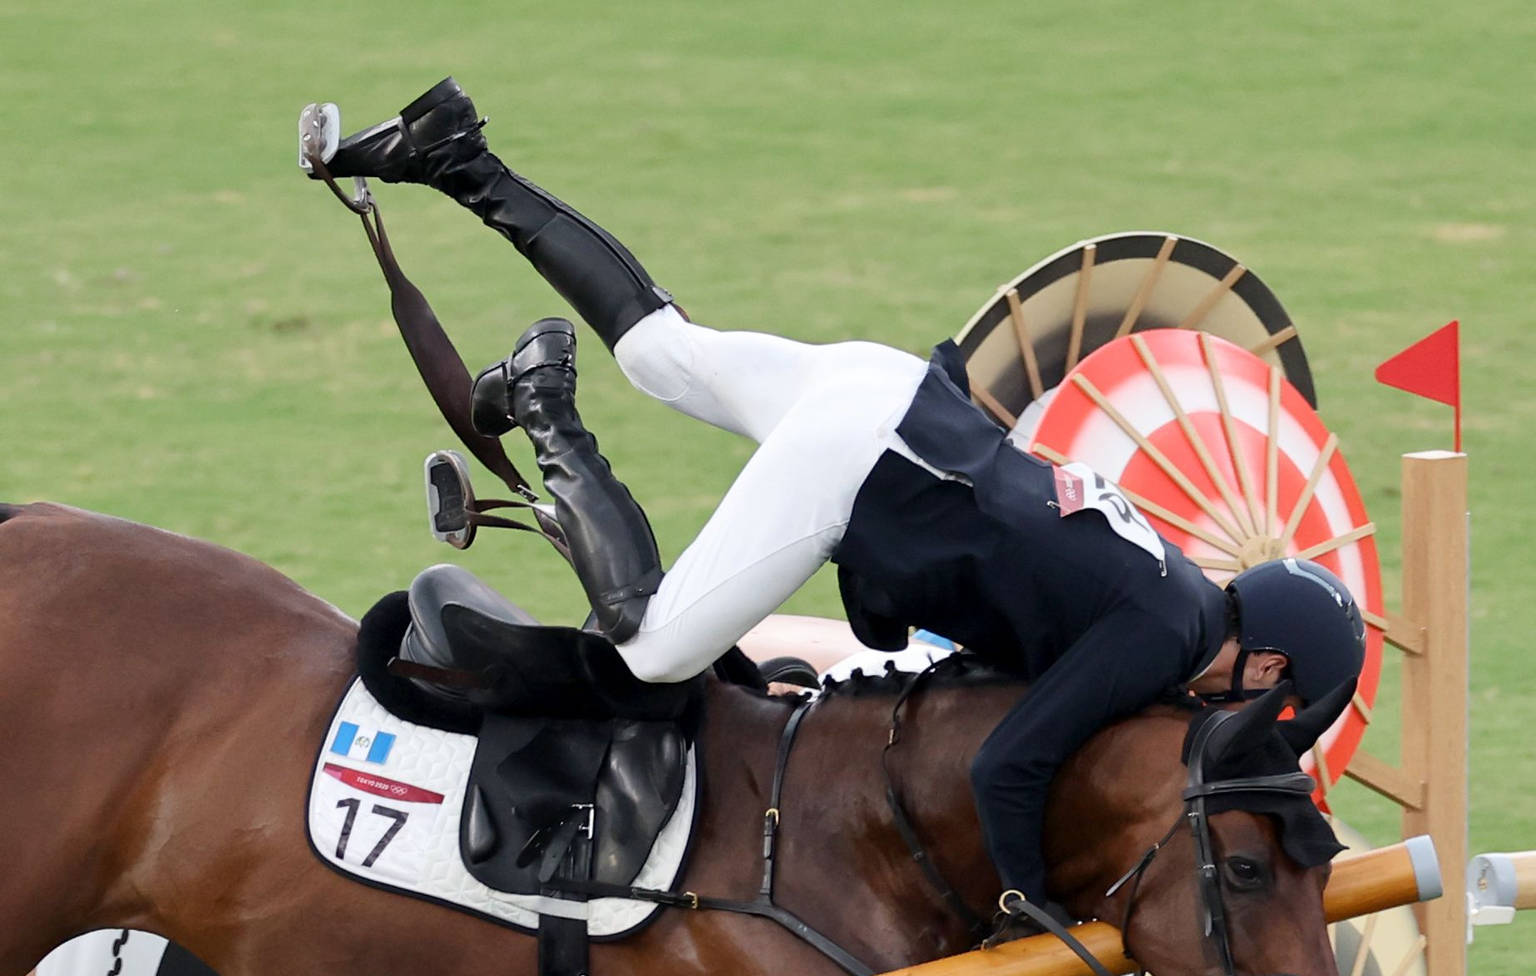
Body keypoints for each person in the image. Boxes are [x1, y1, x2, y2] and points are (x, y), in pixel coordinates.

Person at [312, 79, 1366, 920]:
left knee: (665, 354)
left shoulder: (1175, 589)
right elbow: (1013, 760)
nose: (1248, 721)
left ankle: (456, 154)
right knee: (651, 656)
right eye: (1275, 707)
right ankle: (544, 405)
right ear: (1268, 666)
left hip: (890, 390)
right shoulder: (1163, 634)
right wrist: (1039, 903)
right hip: (863, 460)